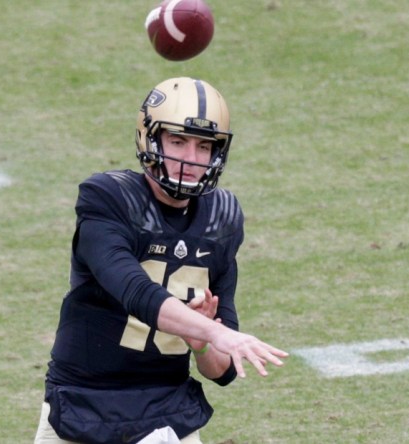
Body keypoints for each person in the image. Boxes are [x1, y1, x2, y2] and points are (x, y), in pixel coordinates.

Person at [34, 77, 287, 444]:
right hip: (84, 405)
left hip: (165, 410)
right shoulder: (108, 199)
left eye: (204, 146)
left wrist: (200, 340)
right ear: (149, 139)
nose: (190, 158)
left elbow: (221, 371)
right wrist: (216, 332)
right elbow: (134, 290)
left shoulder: (221, 220)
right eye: (178, 141)